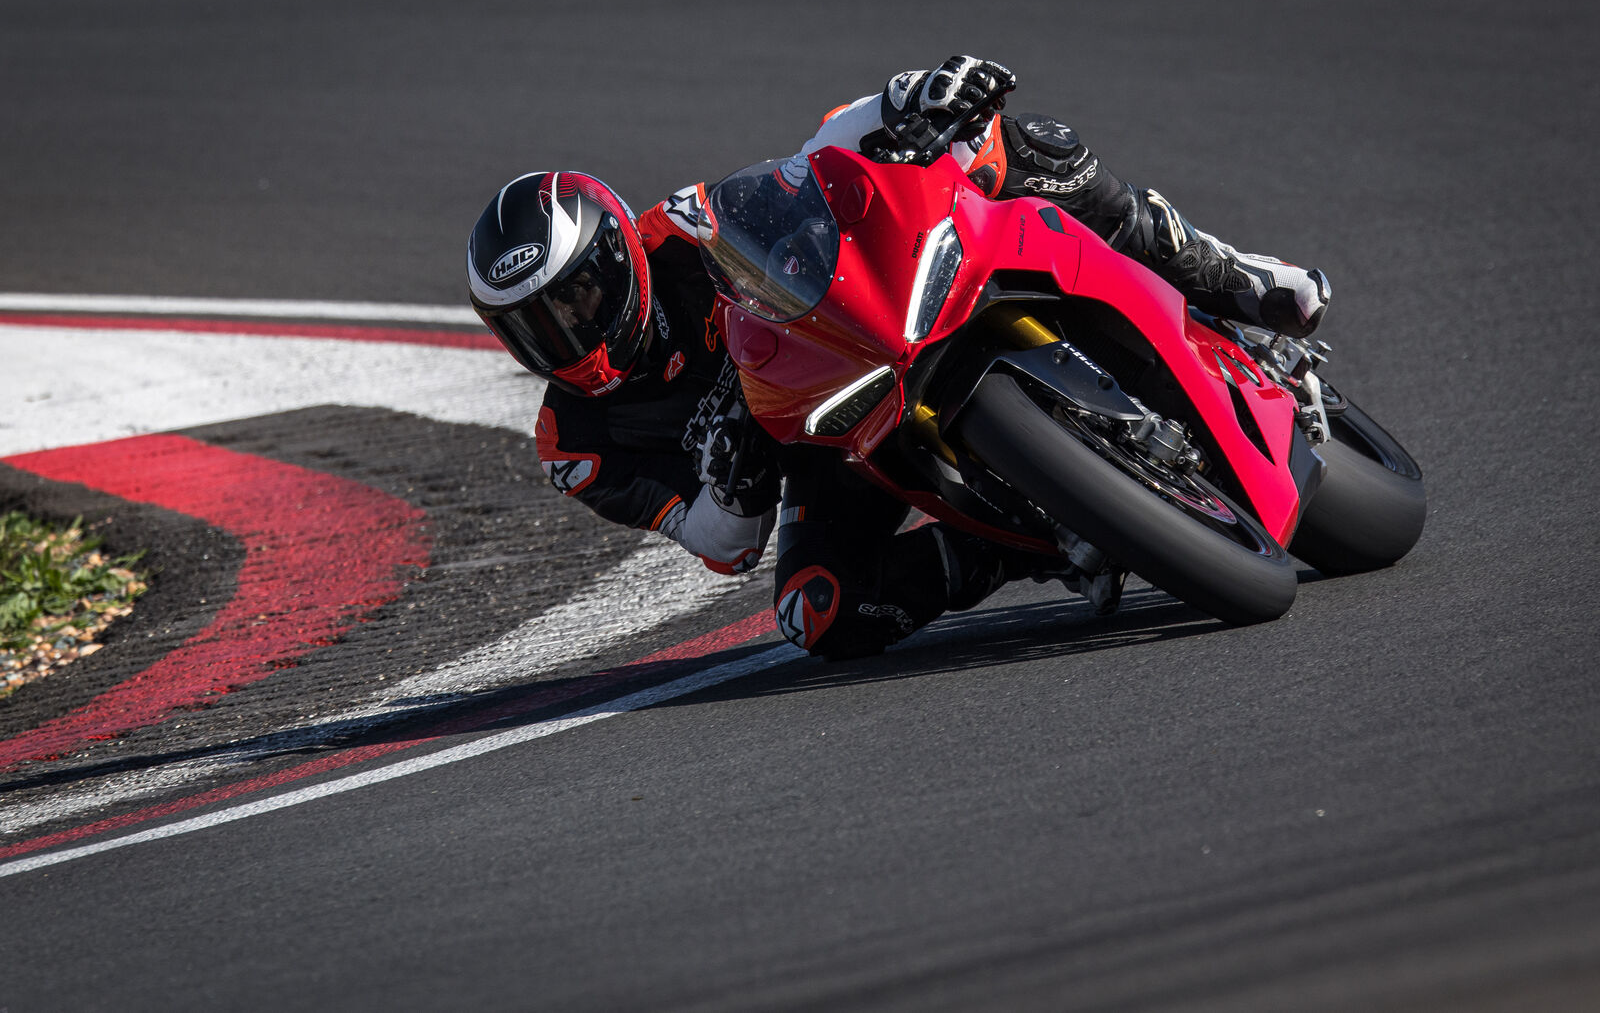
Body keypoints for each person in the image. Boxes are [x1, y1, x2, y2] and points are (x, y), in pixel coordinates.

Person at [466, 56, 1331, 659]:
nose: (565, 333)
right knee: (816, 613)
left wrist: (903, 97)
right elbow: (719, 545)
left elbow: (807, 168)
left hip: (856, 337)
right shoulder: (574, 443)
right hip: (822, 443)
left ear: (617, 253)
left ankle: (1229, 275)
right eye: (533, 327)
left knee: (1015, 146)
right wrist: (731, 484)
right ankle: (1035, 543)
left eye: (575, 299)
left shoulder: (682, 232)